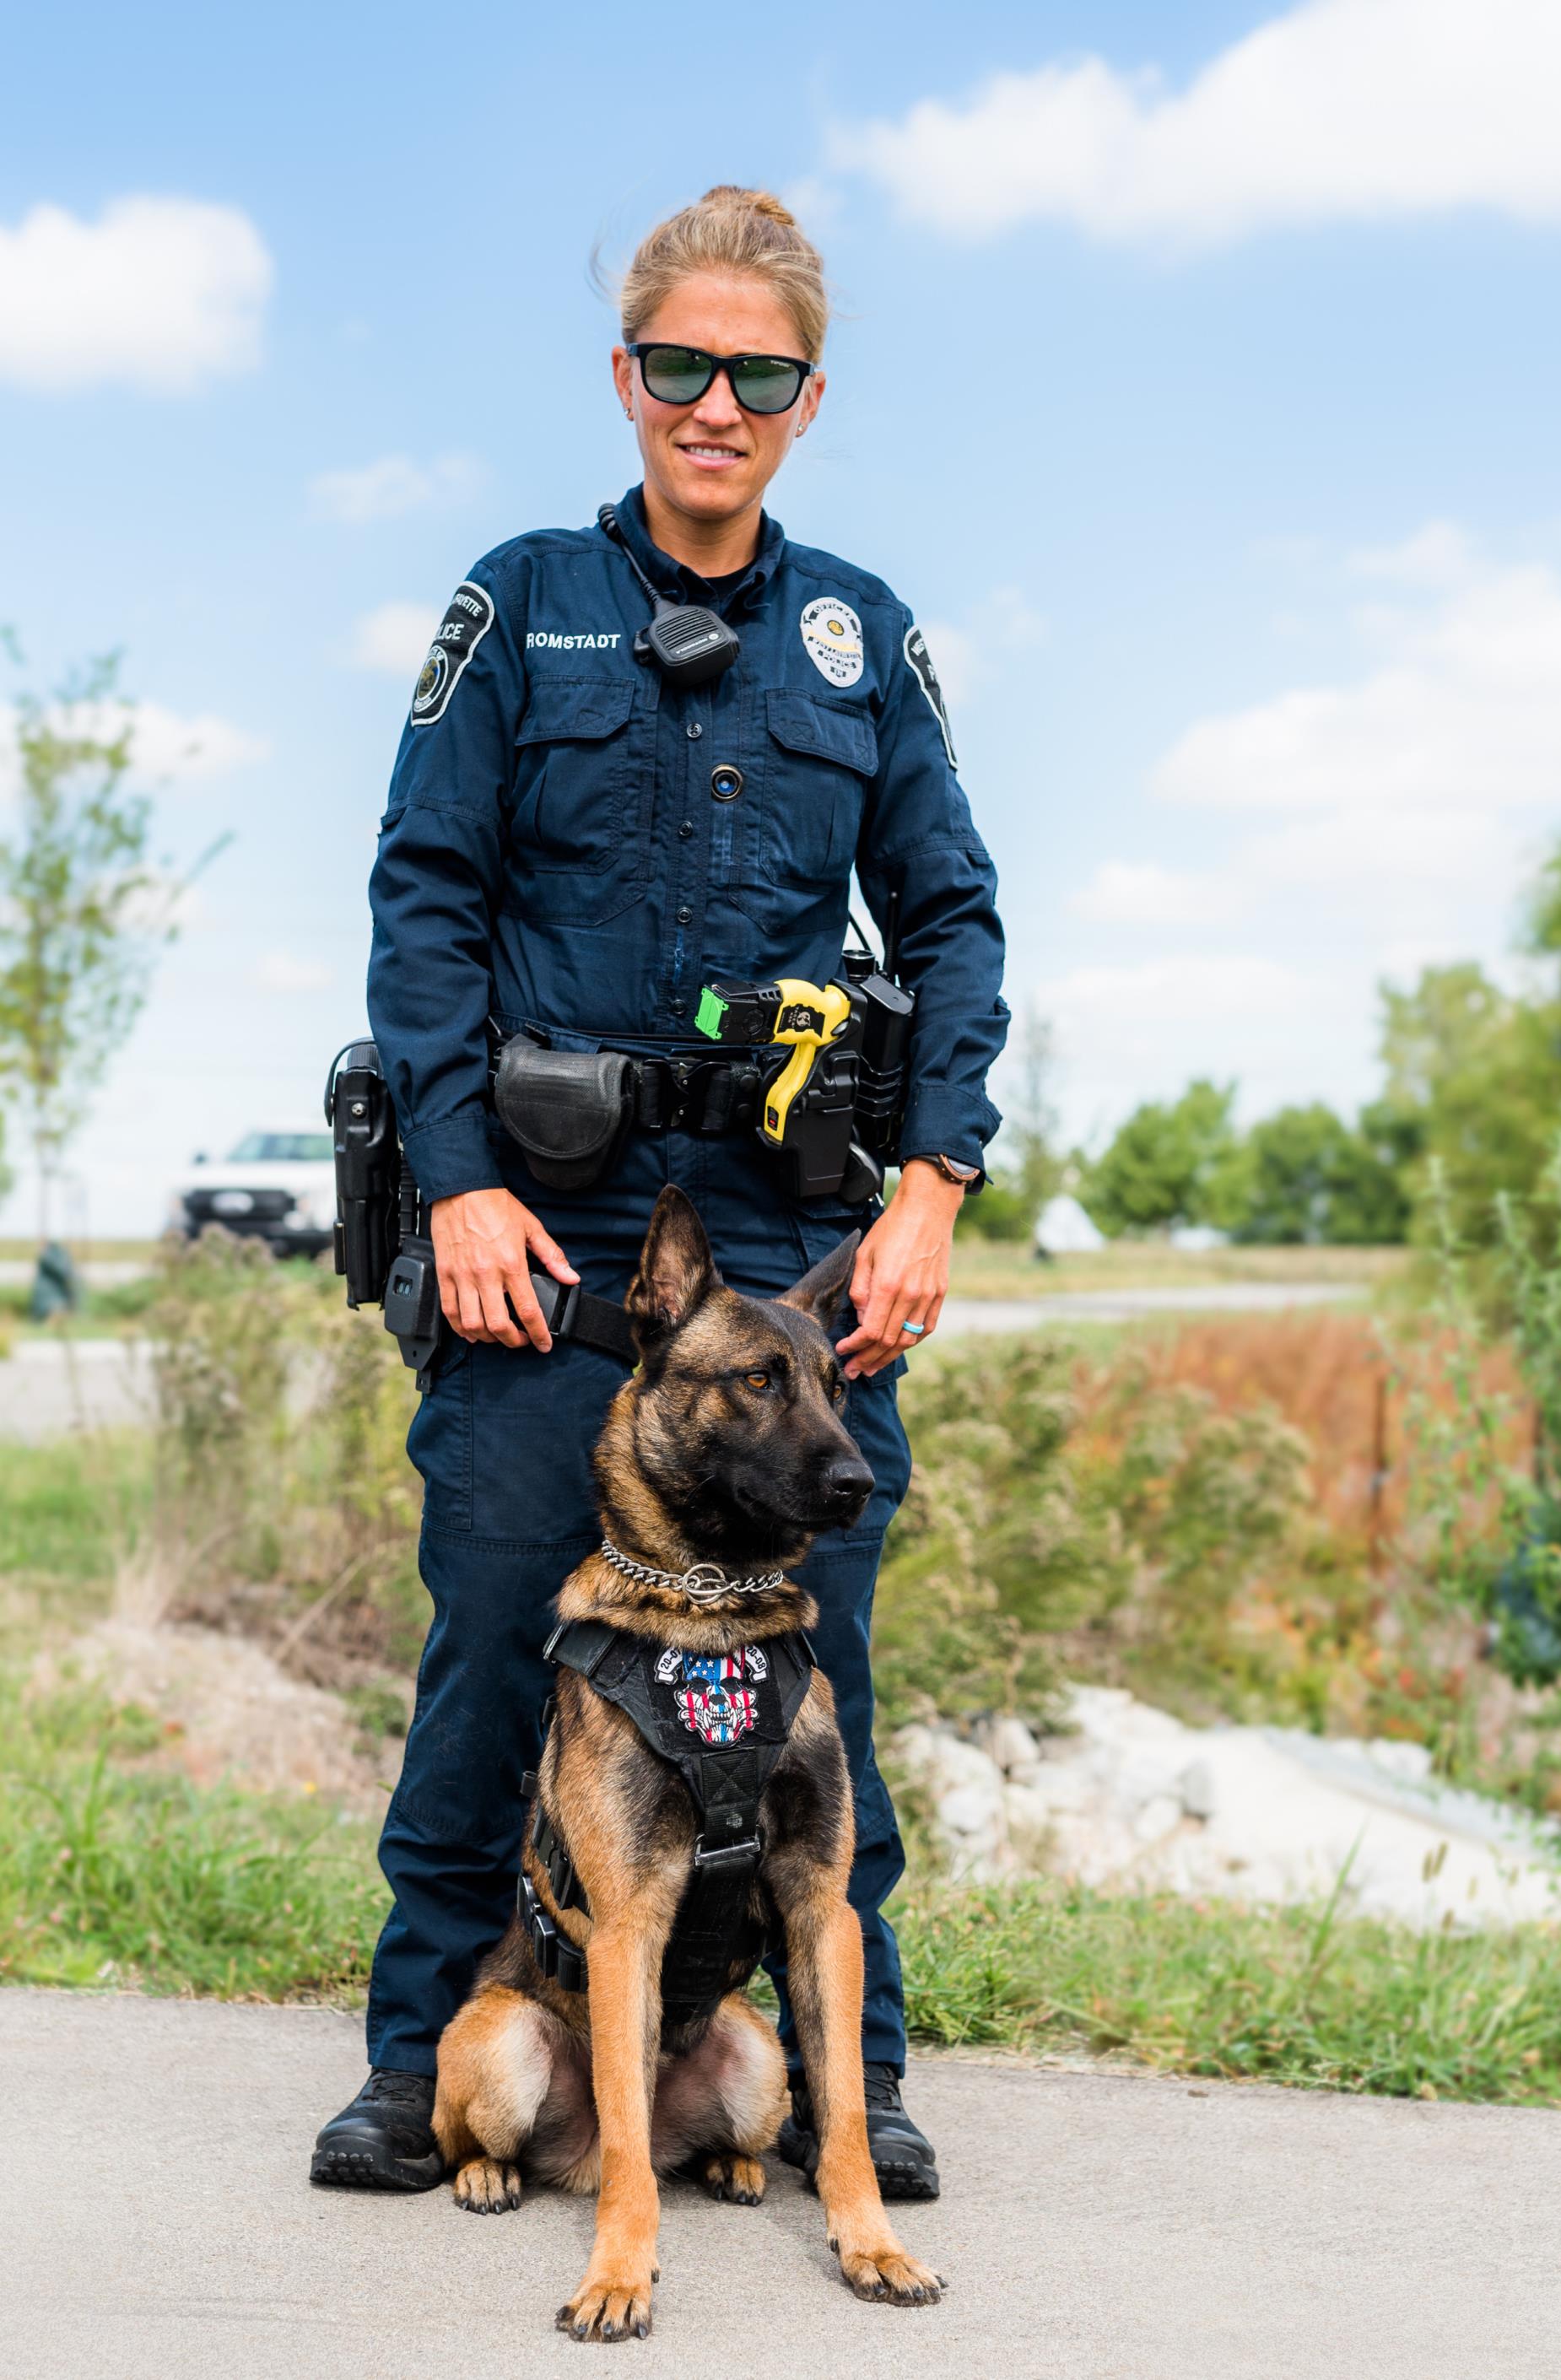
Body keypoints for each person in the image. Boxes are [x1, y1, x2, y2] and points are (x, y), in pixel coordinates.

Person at [312, 186, 1007, 2202]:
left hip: (787, 1253)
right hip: (550, 1230)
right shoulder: (519, 599)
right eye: (682, 365)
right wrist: (452, 1179)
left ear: (804, 397)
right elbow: (424, 898)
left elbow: (952, 914)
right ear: (629, 378)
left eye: (759, 372)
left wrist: (935, 1185)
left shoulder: (859, 635)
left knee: (821, 1669)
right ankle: (419, 2049)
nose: (718, 401)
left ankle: (843, 2079)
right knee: (498, 1645)